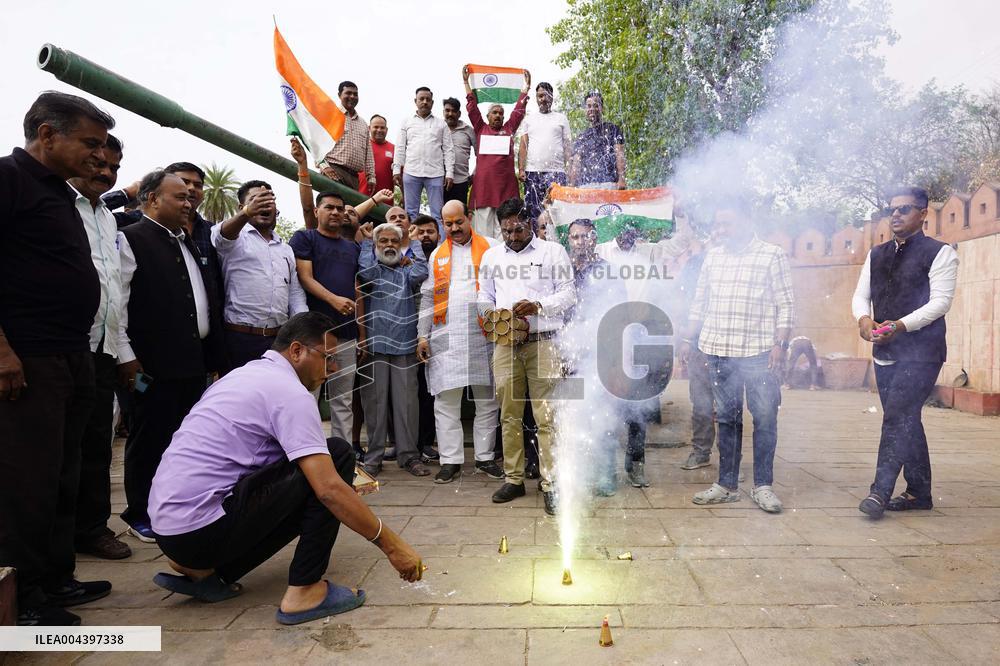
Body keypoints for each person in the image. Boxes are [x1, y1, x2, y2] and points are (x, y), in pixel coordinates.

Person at [147, 313, 425, 625]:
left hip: (171, 529)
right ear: (296, 351)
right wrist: (392, 545)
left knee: (318, 471)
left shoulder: (242, 375)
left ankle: (205, 572)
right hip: (200, 530)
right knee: (338, 457)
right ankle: (305, 590)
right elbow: (329, 490)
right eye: (328, 358)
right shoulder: (289, 392)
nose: (332, 369)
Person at [1, 91, 115, 626]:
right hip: (29, 358)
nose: (98, 155)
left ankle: (55, 579)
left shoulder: (59, 194)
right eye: (89, 143)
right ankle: (24, 599)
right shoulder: (9, 180)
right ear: (48, 135)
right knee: (29, 480)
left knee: (64, 474)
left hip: (73, 356)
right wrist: (2, 350)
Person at [116, 170, 225, 541]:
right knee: (149, 437)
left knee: (185, 438)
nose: (188, 202)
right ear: (151, 200)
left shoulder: (188, 241)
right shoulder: (130, 239)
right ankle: (140, 514)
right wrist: (127, 359)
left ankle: (177, 508)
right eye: (179, 197)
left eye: (190, 197)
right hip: (151, 365)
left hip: (191, 362)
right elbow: (117, 305)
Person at [679, 199, 794, 514]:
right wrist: (688, 339)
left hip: (758, 353)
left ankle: (763, 486)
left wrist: (780, 345)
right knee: (727, 419)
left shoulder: (772, 255)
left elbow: (785, 304)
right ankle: (726, 485)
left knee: (765, 418)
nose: (720, 231)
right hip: (719, 352)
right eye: (717, 225)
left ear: (745, 220)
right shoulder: (713, 258)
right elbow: (699, 303)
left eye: (726, 224)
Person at [853, 187, 958, 520]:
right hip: (886, 351)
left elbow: (940, 303)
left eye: (905, 209)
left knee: (897, 417)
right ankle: (919, 492)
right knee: (906, 419)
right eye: (891, 209)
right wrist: (864, 319)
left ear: (924, 213)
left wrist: (899, 325)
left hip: (922, 352)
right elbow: (861, 296)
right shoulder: (877, 254)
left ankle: (878, 492)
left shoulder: (941, 253)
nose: (895, 215)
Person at [477, 198, 575, 515]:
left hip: (543, 341)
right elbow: (484, 296)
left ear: (529, 223)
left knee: (547, 416)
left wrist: (538, 306)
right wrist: (494, 315)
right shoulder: (491, 256)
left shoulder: (552, 252)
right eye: (506, 231)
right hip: (505, 343)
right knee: (509, 414)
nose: (513, 236)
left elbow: (569, 293)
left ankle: (550, 483)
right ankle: (514, 478)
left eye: (518, 229)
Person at [69, 134, 131, 561]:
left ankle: (91, 530)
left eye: (112, 168)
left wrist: (122, 350)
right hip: (61, 346)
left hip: (103, 348)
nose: (105, 174)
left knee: (96, 445)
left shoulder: (106, 218)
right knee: (57, 451)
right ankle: (46, 554)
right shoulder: (55, 207)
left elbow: (116, 289)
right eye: (97, 164)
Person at [417, 201, 503, 484]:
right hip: (446, 336)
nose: (454, 228)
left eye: (459, 222)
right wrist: (422, 334)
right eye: (448, 224)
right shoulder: (437, 256)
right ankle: (450, 460)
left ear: (469, 219)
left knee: (487, 401)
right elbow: (429, 296)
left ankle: (485, 458)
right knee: (446, 401)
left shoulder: (491, 246)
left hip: (484, 336)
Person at [290, 189, 378, 443]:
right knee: (308, 397)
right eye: (329, 207)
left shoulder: (353, 248)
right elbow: (305, 278)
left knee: (343, 400)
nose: (336, 212)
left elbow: (357, 290)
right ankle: (308, 452)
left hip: (348, 335)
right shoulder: (305, 238)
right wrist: (333, 299)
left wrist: (362, 334)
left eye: (340, 208)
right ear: (317, 211)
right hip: (313, 335)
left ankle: (344, 456)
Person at [357, 222, 430, 477]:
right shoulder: (372, 270)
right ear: (376, 245)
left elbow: (422, 271)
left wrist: (414, 241)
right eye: (383, 241)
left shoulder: (406, 273)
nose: (389, 245)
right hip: (375, 346)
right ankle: (374, 458)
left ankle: (409, 456)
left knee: (407, 404)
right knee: (375, 405)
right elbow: (364, 272)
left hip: (405, 346)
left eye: (394, 242)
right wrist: (367, 241)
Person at [212, 180, 308, 370]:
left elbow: (295, 293)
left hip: (279, 341)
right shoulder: (233, 238)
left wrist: (302, 329)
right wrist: (247, 213)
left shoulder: (286, 249)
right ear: (242, 207)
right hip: (239, 339)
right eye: (256, 200)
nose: (264, 205)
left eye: (269, 201)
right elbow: (220, 237)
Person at [565, 218, 628, 495]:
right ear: (569, 240)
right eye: (575, 237)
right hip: (567, 351)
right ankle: (578, 473)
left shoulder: (608, 271)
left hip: (600, 354)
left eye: (585, 236)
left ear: (594, 238)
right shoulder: (562, 270)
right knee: (572, 415)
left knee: (602, 416)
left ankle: (605, 475)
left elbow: (620, 315)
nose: (580, 241)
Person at [462, 66, 531, 239]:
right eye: (494, 113)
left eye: (501, 113)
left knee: (504, 235)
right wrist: (466, 82)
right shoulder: (480, 128)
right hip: (484, 190)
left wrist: (526, 88)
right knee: (483, 236)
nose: (498, 115)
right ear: (488, 116)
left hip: (505, 190)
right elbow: (472, 108)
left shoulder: (508, 129)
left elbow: (518, 112)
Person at [676, 243, 717, 471]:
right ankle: (701, 452)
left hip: (732, 345)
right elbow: (684, 303)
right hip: (700, 343)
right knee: (701, 401)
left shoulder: (738, 261)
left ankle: (732, 459)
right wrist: (686, 340)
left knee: (729, 405)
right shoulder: (695, 263)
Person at [393, 87, 455, 226]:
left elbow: (448, 149)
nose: (425, 102)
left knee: (438, 213)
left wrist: (449, 173)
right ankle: (413, 245)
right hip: (411, 172)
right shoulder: (406, 122)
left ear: (432, 103)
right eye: (421, 99)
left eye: (428, 99)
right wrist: (396, 170)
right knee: (410, 212)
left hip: (435, 173)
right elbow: (400, 147)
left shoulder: (441, 124)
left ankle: (439, 245)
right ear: (416, 101)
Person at [411, 215, 443, 463]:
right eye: (420, 232)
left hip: (437, 333)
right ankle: (415, 443)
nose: (425, 236)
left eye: (430, 231)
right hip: (404, 332)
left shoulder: (445, 257)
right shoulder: (405, 255)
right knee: (413, 392)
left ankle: (429, 441)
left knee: (429, 392)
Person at [517, 82, 572, 222]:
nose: (543, 99)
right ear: (536, 98)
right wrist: (521, 169)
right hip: (533, 173)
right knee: (533, 212)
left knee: (558, 211)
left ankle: (557, 242)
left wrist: (570, 171)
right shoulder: (529, 119)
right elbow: (523, 146)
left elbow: (567, 147)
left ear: (552, 97)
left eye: (546, 95)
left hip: (557, 172)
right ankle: (536, 240)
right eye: (540, 96)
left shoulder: (561, 118)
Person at [319, 81, 376, 192]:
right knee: (332, 207)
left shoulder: (363, 123)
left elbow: (368, 153)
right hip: (333, 172)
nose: (352, 96)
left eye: (355, 94)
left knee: (350, 209)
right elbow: (317, 143)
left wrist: (371, 177)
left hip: (354, 178)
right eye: (348, 93)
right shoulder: (329, 116)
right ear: (339, 95)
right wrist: (323, 166)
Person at [569, 91, 626, 189]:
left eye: (596, 105)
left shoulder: (613, 129)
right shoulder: (581, 137)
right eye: (589, 106)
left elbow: (619, 154)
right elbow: (576, 165)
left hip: (609, 184)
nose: (592, 109)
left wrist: (622, 179)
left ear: (602, 108)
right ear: (585, 109)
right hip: (586, 187)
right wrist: (571, 185)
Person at [442, 97, 476, 206]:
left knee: (460, 215)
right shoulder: (438, 128)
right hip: (439, 180)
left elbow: (480, 155)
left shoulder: (468, 130)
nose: (450, 114)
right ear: (443, 112)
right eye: (447, 110)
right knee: (439, 215)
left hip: (462, 181)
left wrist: (474, 174)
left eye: (454, 111)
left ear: (459, 113)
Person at [359, 114, 395, 195]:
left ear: (387, 129)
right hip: (360, 196)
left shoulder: (394, 149)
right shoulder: (361, 145)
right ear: (369, 128)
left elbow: (401, 176)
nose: (379, 130)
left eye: (382, 127)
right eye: (376, 127)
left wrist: (404, 196)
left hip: (385, 200)